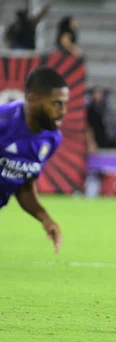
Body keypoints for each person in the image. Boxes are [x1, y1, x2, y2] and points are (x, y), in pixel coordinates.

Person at [0, 67, 68, 253]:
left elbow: (23, 185)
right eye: (56, 103)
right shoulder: (3, 122)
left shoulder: (52, 139)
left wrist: (45, 218)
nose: (63, 111)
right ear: (32, 99)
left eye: (65, 103)